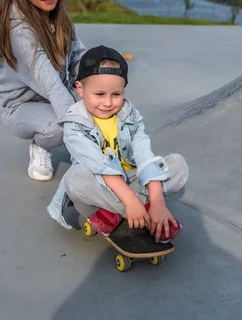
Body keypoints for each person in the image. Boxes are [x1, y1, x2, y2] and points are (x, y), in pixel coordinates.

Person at [47, 46, 189, 243]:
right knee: (74, 179)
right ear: (80, 89)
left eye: (116, 94)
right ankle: (146, 215)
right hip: (99, 186)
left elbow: (144, 154)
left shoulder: (129, 115)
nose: (107, 103)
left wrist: (157, 199)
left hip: (131, 178)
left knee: (177, 164)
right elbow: (101, 167)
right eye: (99, 94)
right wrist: (133, 201)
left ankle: (119, 213)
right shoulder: (75, 124)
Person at [0, 0, 86, 181]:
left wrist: (104, 75)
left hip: (57, 92)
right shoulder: (16, 26)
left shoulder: (56, 15)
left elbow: (79, 57)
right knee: (59, 127)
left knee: (103, 98)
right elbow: (50, 83)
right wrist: (82, 139)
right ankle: (40, 147)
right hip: (22, 106)